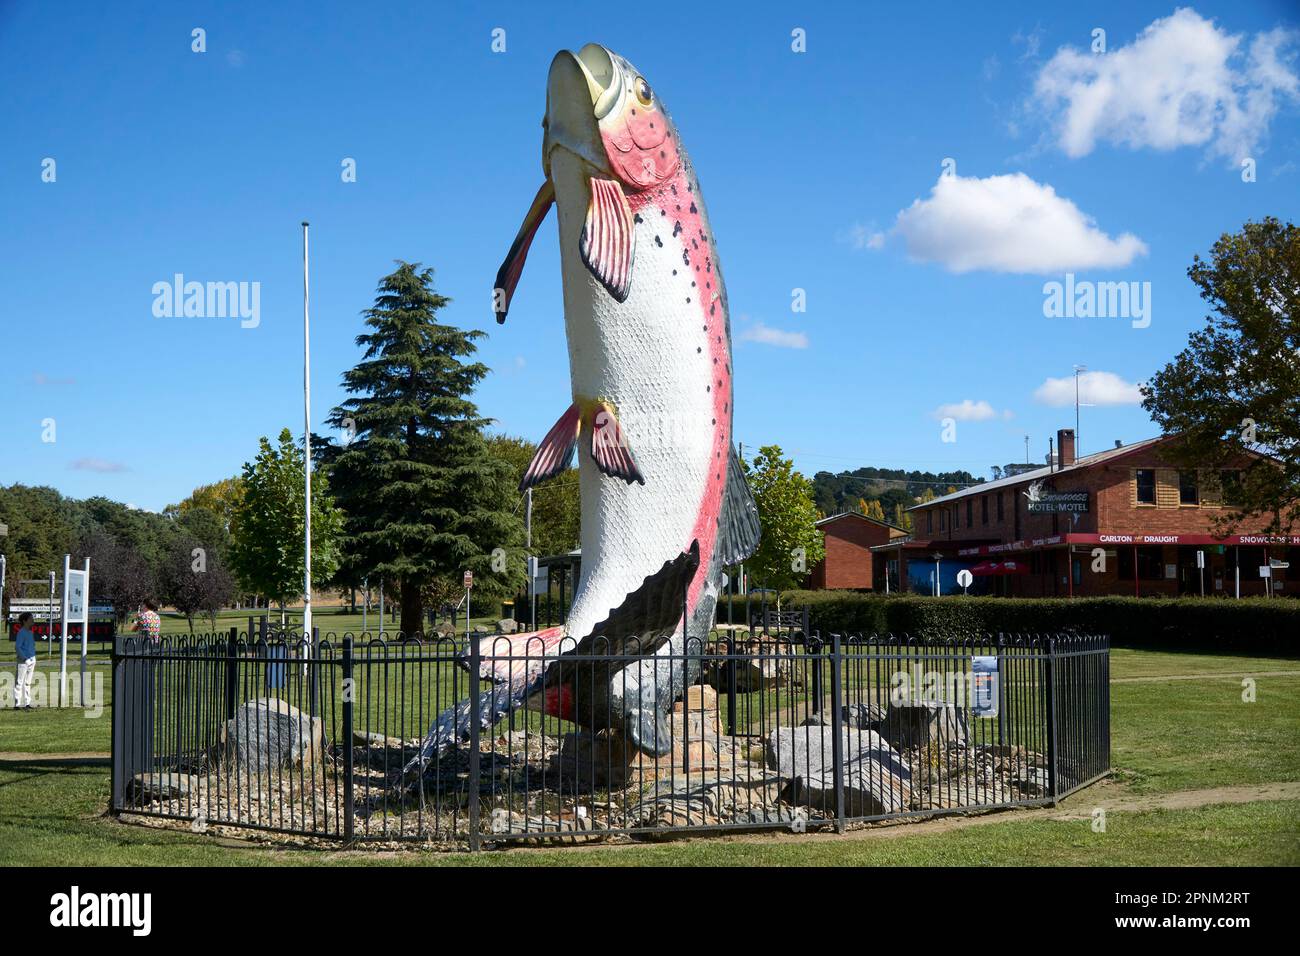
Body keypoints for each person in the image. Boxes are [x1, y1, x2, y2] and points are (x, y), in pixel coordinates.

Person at [13, 612, 37, 710]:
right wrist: (25, 658)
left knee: (28, 682)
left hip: (32, 660)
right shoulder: (21, 632)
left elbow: (31, 646)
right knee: (19, 682)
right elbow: (18, 647)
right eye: (31, 619)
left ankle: (27, 703)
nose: (33, 620)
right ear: (25, 621)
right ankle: (17, 704)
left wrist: (33, 658)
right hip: (23, 661)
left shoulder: (30, 633)